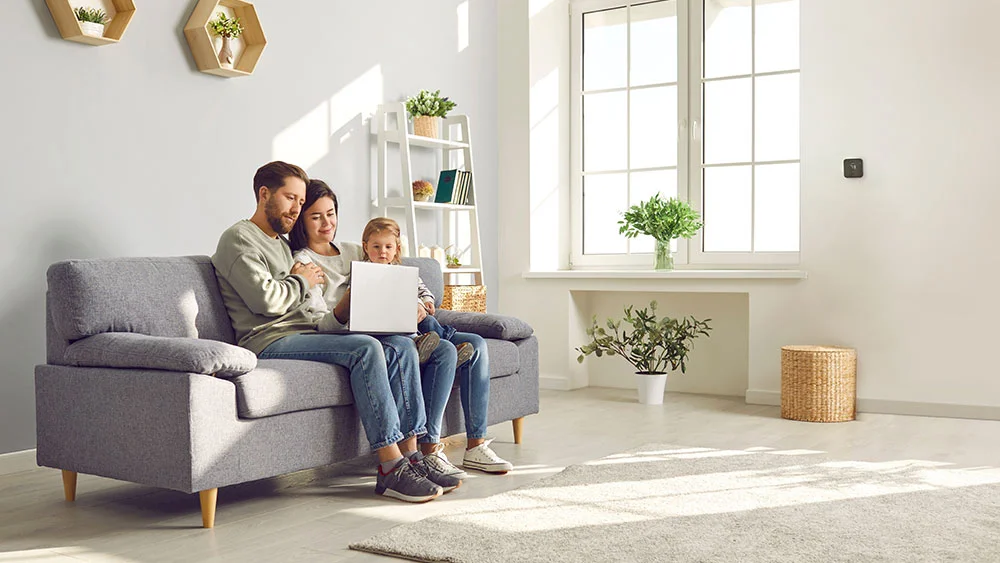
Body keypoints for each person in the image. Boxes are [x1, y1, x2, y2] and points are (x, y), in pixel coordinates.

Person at [211, 161, 448, 502]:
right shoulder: (238, 239)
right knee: (365, 348)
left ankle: (412, 454)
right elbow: (267, 300)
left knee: (397, 344)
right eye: (290, 198)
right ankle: (389, 467)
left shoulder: (278, 242)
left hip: (304, 331)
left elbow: (299, 296)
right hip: (269, 339)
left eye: (299, 200)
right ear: (264, 194)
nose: (296, 208)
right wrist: (302, 280)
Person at [287, 179, 466, 491]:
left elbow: (388, 261)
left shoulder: (353, 251)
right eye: (316, 216)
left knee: (434, 349)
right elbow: (319, 324)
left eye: (331, 213)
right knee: (400, 348)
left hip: (380, 325)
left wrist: (415, 302)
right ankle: (401, 459)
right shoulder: (302, 262)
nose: (326, 223)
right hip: (342, 332)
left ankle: (414, 455)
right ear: (302, 220)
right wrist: (348, 304)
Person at [357, 217, 514, 474]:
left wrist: (423, 304)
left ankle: (476, 445)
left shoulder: (405, 273)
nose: (382, 252)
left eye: (387, 247)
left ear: (397, 248)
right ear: (366, 247)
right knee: (445, 346)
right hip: (399, 333)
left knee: (474, 344)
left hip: (421, 326)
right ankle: (429, 446)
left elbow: (427, 295)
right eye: (376, 247)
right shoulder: (364, 272)